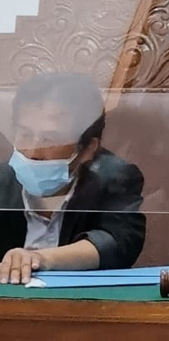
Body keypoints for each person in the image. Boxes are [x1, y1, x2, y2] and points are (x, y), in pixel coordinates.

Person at [0, 73, 146, 285]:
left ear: (88, 149)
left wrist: (39, 258)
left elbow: (116, 242)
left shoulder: (114, 178)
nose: (32, 151)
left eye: (49, 139)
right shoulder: (3, 180)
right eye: (25, 134)